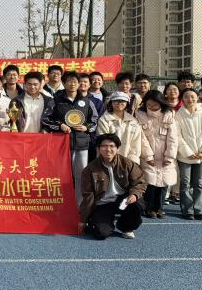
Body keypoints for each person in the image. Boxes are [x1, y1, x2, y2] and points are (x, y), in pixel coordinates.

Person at [42, 71, 98, 207]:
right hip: (61, 145)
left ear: (79, 84)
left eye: (75, 81)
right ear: (64, 83)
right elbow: (45, 119)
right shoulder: (56, 100)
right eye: (69, 81)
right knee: (60, 176)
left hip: (81, 145)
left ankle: (78, 206)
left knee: (81, 176)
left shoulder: (87, 101)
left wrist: (86, 127)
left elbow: (95, 121)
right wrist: (59, 125)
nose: (72, 84)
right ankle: (60, 205)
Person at [78, 134, 146, 240]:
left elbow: (140, 182)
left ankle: (125, 227)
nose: (108, 149)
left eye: (112, 146)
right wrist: (83, 220)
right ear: (99, 148)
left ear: (117, 148)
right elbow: (88, 196)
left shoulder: (127, 163)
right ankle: (97, 221)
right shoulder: (90, 169)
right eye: (104, 146)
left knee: (137, 204)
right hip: (102, 204)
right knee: (101, 234)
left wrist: (134, 194)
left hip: (122, 202)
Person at [136, 90, 178, 219]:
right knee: (150, 183)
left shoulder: (168, 114)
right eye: (149, 104)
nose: (152, 107)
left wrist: (169, 156)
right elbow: (141, 138)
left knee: (164, 183)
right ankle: (149, 209)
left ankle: (159, 208)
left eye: (155, 104)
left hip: (165, 156)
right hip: (147, 155)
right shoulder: (139, 114)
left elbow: (173, 137)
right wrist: (148, 156)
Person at [174, 88, 202, 220]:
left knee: (199, 183)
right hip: (184, 156)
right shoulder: (178, 115)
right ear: (182, 99)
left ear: (197, 97)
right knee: (185, 183)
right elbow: (177, 136)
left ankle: (199, 209)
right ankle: (187, 209)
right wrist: (187, 152)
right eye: (186, 97)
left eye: (192, 96)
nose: (190, 99)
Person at [97, 92, 143, 165]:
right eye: (116, 101)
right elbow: (103, 142)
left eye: (123, 101)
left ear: (127, 103)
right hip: (109, 160)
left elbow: (136, 143)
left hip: (129, 161)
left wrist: (132, 160)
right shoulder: (104, 120)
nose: (119, 103)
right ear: (111, 103)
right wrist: (112, 159)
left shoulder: (133, 121)